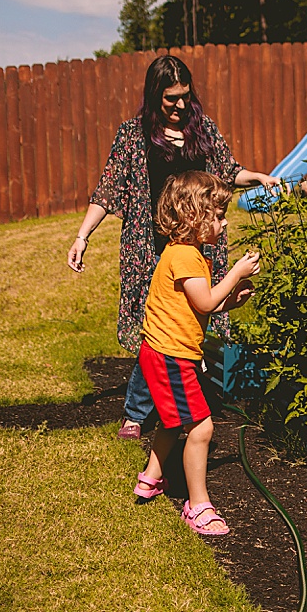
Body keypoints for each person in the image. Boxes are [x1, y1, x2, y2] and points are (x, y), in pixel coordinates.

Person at [68, 54, 277, 439]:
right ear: (154, 97)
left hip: (200, 249)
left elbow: (229, 170)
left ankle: (182, 401)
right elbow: (108, 190)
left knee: (188, 324)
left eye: (185, 96)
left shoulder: (203, 130)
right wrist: (82, 236)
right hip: (151, 251)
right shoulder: (133, 135)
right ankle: (137, 410)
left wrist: (258, 176)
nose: (180, 105)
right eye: (170, 99)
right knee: (157, 332)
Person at [131, 171, 261, 535]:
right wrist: (235, 273)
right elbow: (204, 299)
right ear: (193, 217)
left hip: (165, 353)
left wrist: (229, 303)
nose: (224, 222)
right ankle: (198, 505)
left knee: (174, 421)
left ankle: (151, 478)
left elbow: (196, 307)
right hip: (170, 355)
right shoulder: (187, 256)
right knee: (201, 428)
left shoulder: (184, 253)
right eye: (218, 215)